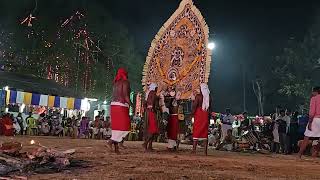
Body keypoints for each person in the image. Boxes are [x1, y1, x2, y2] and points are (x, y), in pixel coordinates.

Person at [108, 68, 133, 154]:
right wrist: (132, 105)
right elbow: (126, 96)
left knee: (116, 128)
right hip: (121, 105)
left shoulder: (115, 83)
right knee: (125, 127)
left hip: (113, 105)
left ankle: (116, 149)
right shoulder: (125, 82)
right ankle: (111, 141)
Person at [298, 87, 320, 158]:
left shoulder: (314, 98)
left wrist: (310, 122)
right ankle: (315, 153)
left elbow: (312, 112)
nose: (312, 93)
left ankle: (299, 155)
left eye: (312, 92)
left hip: (315, 120)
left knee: (306, 138)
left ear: (315, 92)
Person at [192, 83, 211, 155]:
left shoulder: (198, 96)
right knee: (205, 132)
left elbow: (194, 106)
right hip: (205, 114)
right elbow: (210, 108)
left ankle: (194, 150)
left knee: (196, 130)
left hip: (199, 114)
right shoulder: (209, 97)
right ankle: (205, 152)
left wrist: (192, 114)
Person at [143, 83, 159, 151]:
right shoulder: (153, 93)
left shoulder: (148, 93)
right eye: (156, 87)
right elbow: (152, 102)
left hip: (148, 112)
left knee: (151, 128)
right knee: (153, 129)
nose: (157, 89)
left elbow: (145, 103)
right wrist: (153, 107)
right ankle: (145, 143)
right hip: (152, 112)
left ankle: (149, 146)